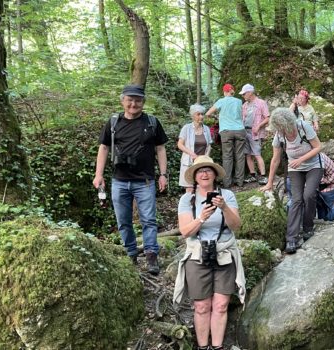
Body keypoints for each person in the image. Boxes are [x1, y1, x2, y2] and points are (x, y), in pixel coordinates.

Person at [93, 84, 169, 274]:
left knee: (149, 220)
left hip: (145, 181)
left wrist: (163, 174)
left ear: (143, 102)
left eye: (138, 100)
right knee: (123, 221)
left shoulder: (151, 122)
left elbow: (160, 148)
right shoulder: (113, 123)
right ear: (123, 101)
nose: (133, 104)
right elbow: (103, 148)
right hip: (119, 180)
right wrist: (98, 174)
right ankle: (131, 254)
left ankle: (151, 255)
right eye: (130, 100)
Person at [173, 156, 245, 350]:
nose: (204, 173)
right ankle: (203, 346)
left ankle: (218, 346)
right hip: (197, 255)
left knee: (221, 305)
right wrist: (201, 218)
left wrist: (224, 208)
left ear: (214, 174)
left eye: (208, 170)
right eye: (200, 171)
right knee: (202, 306)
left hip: (224, 253)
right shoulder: (187, 199)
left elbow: (236, 226)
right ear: (195, 176)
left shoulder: (227, 195)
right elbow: (185, 231)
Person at [259, 107, 322, 254]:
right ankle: (291, 238)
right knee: (296, 199)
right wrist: (269, 183)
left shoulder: (303, 127)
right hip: (295, 169)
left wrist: (301, 159)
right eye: (277, 128)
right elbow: (275, 160)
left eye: (280, 127)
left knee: (309, 195)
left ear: (287, 123)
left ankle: (308, 227)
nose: (279, 130)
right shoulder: (279, 136)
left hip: (314, 166)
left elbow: (318, 147)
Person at [286, 153, 334, 221]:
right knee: (291, 183)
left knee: (326, 217)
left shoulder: (316, 162)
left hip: (330, 185)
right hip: (321, 184)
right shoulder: (303, 156)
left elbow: (332, 178)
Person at [206, 83, 245, 187]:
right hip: (240, 130)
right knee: (240, 156)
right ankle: (240, 182)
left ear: (224, 91)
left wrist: (218, 117)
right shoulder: (239, 101)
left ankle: (227, 183)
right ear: (233, 91)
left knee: (227, 156)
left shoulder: (221, 101)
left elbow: (208, 113)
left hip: (226, 131)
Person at [178, 104, 213, 192]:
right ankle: (189, 206)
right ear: (193, 116)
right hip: (189, 162)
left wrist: (206, 157)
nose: (201, 116)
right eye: (198, 114)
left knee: (203, 188)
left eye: (202, 114)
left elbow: (209, 145)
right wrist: (192, 154)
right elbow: (180, 144)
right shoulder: (186, 128)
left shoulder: (206, 129)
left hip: (202, 163)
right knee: (190, 188)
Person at [240, 84, 270, 185]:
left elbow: (267, 118)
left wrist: (258, 126)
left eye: (244, 94)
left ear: (250, 93)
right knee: (248, 155)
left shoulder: (261, 103)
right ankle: (252, 175)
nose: (243, 96)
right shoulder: (244, 105)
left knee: (257, 154)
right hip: (245, 132)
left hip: (255, 133)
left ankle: (263, 176)